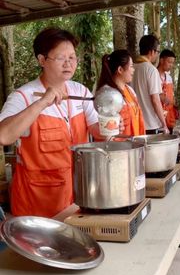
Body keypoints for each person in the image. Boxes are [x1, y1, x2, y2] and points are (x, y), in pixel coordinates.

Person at [0, 27, 102, 218]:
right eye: (61, 58)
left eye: (72, 58)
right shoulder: (24, 96)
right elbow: (4, 136)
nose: (68, 64)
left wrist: (110, 125)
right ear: (42, 60)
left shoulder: (80, 93)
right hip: (37, 205)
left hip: (76, 198)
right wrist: (42, 103)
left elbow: (97, 131)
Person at [96, 49, 145, 136]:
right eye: (131, 66)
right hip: (119, 147)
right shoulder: (107, 95)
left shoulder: (130, 91)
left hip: (136, 144)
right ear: (120, 69)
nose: (133, 70)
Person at [131, 35, 169, 134]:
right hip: (150, 123)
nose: (157, 55)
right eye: (157, 52)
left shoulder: (131, 68)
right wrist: (164, 124)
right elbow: (155, 100)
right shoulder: (151, 70)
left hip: (135, 123)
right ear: (152, 51)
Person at [157, 49, 178, 133]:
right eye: (169, 62)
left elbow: (171, 95)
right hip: (157, 116)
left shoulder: (169, 77)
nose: (171, 65)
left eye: (173, 63)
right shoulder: (153, 75)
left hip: (169, 115)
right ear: (161, 60)